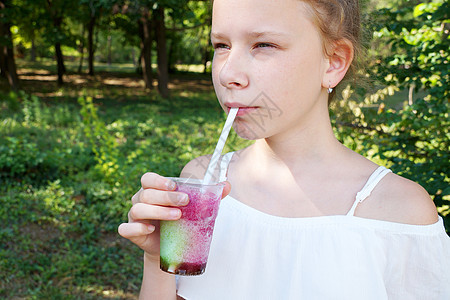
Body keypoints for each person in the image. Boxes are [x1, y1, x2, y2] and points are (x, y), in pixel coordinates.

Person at [118, 0, 450, 299]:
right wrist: (156, 258)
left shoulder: (400, 213)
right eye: (221, 45)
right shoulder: (201, 182)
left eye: (263, 44)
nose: (228, 73)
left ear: (333, 62)